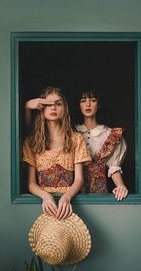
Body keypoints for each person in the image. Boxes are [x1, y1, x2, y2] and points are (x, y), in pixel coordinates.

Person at [23, 87, 91, 220]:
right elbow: (31, 183)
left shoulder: (76, 138)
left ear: (64, 108)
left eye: (58, 104)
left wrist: (66, 197)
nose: (53, 107)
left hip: (68, 202)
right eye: (48, 104)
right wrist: (45, 196)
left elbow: (79, 179)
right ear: (41, 108)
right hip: (44, 204)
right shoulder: (31, 141)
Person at [75, 90, 128, 201]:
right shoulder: (71, 133)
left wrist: (120, 186)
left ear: (99, 104)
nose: (88, 104)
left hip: (99, 193)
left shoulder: (110, 134)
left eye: (93, 100)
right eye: (83, 101)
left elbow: (114, 167)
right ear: (78, 105)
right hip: (73, 194)